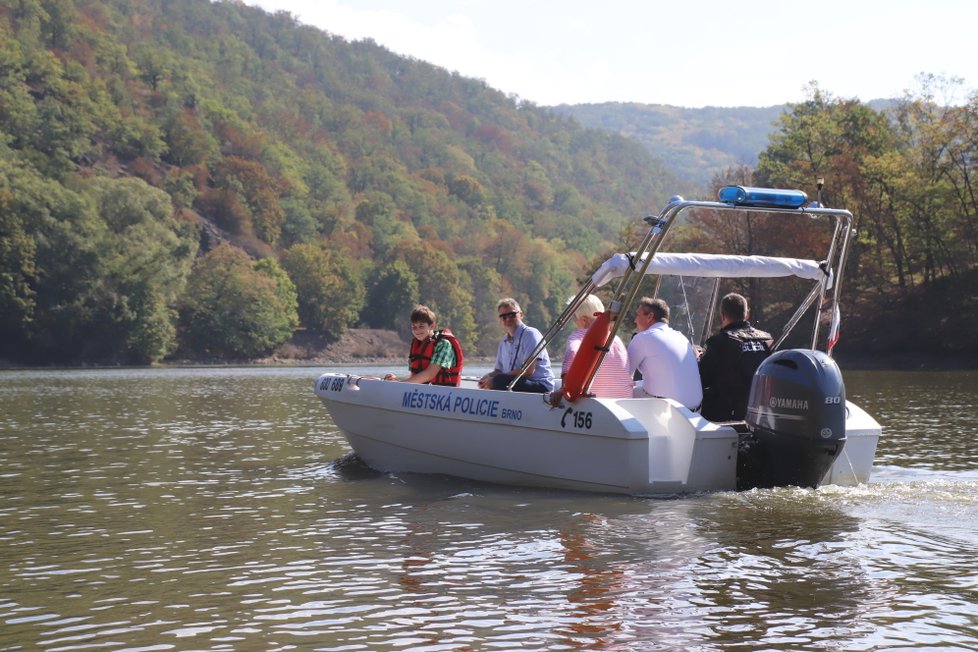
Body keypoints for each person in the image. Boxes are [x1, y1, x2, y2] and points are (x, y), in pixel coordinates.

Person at [698, 292, 773, 421]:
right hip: (760, 415)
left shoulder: (718, 341)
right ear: (747, 314)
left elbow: (701, 379)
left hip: (725, 416)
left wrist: (698, 358)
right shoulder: (767, 340)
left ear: (722, 314)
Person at [626, 297, 703, 410]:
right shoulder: (681, 337)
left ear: (650, 316)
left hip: (666, 413)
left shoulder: (642, 338)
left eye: (638, 315)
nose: (635, 320)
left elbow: (623, 376)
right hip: (696, 410)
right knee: (638, 385)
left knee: (619, 391)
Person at [561, 294, 633, 398]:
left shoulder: (579, 336)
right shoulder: (615, 339)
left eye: (574, 317)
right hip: (623, 400)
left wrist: (563, 388)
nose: (573, 321)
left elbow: (573, 352)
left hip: (595, 404)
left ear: (584, 320)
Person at [478, 298, 555, 393]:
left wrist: (497, 379)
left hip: (539, 385)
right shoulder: (504, 341)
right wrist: (487, 377)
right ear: (500, 319)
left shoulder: (531, 334)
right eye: (503, 316)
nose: (508, 319)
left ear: (521, 315)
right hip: (517, 382)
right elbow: (498, 371)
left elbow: (528, 371)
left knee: (498, 380)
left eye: (512, 315)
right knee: (493, 380)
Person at [383, 305, 464, 386]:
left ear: (432, 326)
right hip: (425, 392)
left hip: (445, 394)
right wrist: (396, 381)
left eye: (421, 326)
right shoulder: (417, 344)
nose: (417, 330)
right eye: (414, 327)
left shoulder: (444, 344)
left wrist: (399, 385)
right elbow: (416, 377)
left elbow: (430, 374)